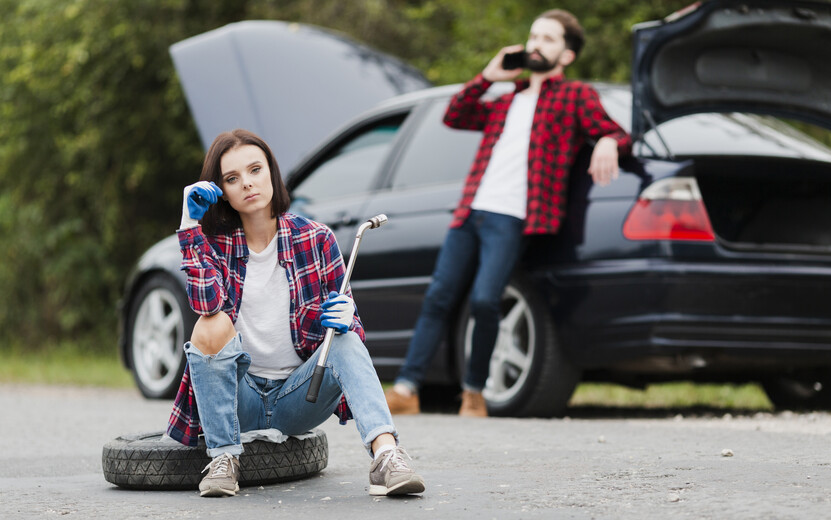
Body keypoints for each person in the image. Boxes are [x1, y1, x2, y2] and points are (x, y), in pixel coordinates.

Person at [384, 9, 632, 417]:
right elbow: (455, 115)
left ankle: (474, 394)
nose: (536, 44)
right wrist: (487, 77)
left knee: (485, 301)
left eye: (548, 39)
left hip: (513, 218)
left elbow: (617, 132)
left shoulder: (575, 97)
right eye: (534, 36)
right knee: (438, 298)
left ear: (567, 55)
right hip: (470, 212)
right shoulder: (508, 98)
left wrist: (608, 141)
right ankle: (408, 390)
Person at [165, 129, 425, 498]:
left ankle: (386, 455)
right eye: (232, 178)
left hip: (300, 396)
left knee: (346, 338)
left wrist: (344, 317)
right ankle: (224, 458)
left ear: (272, 172)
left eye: (255, 170)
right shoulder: (216, 244)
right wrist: (191, 226)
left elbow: (353, 337)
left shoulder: (316, 238)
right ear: (220, 190)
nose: (248, 184)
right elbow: (206, 306)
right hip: (240, 398)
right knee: (210, 324)